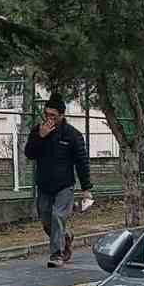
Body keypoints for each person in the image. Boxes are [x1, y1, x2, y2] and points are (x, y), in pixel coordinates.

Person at [22, 95, 92, 268]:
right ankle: (65, 237)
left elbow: (82, 162)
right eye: (47, 114)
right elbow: (29, 154)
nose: (49, 118)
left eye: (53, 115)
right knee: (47, 220)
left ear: (62, 115)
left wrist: (86, 188)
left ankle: (56, 254)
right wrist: (40, 137)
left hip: (64, 185)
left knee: (58, 216)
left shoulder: (72, 135)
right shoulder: (38, 130)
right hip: (44, 184)